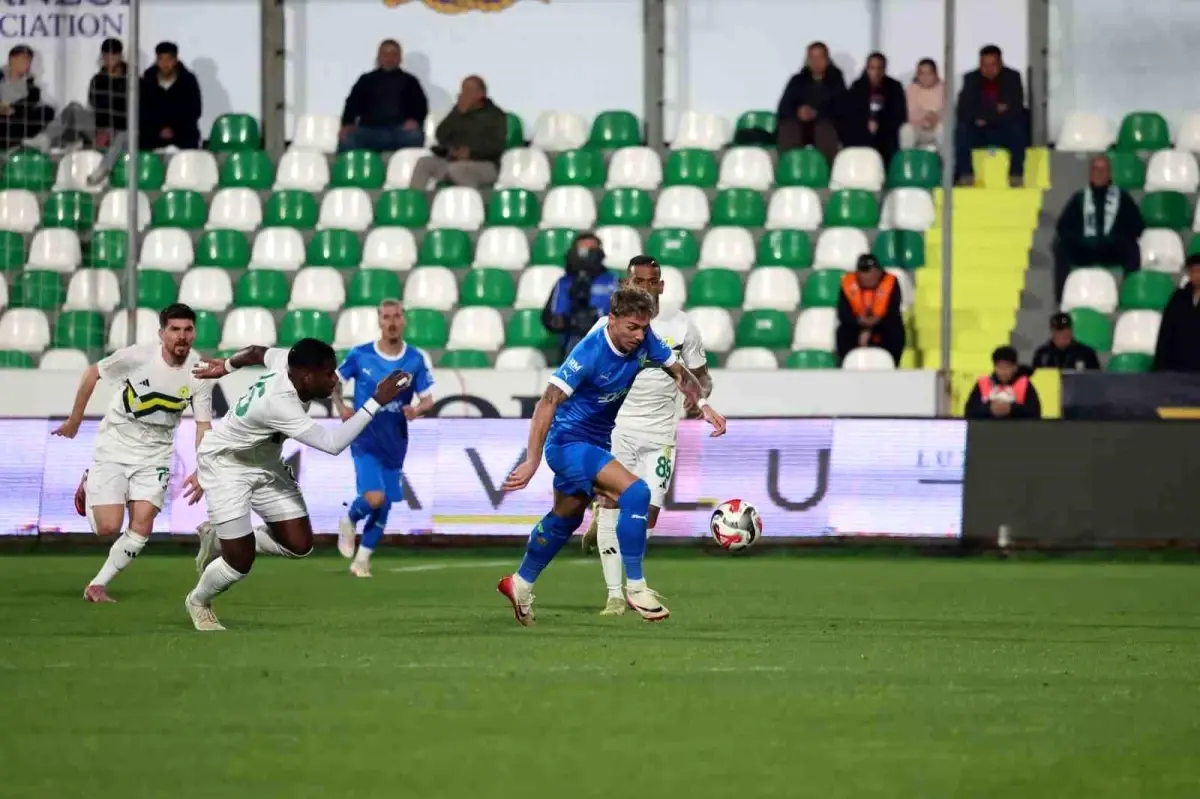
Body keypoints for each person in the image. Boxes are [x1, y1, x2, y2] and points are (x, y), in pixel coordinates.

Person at [497, 288, 727, 625]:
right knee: (636, 492)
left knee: (566, 517)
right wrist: (532, 460)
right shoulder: (589, 352)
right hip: (568, 444)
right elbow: (547, 402)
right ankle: (635, 587)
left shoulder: (647, 340)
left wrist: (704, 405)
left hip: (597, 442)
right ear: (613, 319)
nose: (639, 335)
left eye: (644, 328)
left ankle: (520, 583)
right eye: (632, 327)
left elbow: (679, 373)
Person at [185, 340, 410, 632]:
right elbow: (332, 444)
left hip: (264, 463)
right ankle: (198, 601)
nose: (335, 379)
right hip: (226, 465)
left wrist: (226, 366)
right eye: (328, 373)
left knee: (299, 545)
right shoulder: (281, 403)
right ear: (306, 376)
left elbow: (254, 351)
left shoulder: (287, 362)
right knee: (239, 562)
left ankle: (220, 538)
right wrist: (376, 401)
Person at [52, 304, 213, 603]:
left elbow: (203, 425)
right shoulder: (138, 356)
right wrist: (74, 420)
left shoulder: (200, 373)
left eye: (188, 330)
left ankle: (97, 585)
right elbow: (92, 373)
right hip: (116, 443)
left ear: (194, 333)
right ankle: (90, 484)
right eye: (175, 330)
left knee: (142, 523)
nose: (182, 336)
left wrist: (202, 468)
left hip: (156, 452)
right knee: (108, 527)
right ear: (162, 333)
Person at [578, 256, 711, 614]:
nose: (646, 288)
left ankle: (626, 572)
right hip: (618, 428)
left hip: (661, 432)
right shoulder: (604, 327)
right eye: (639, 281)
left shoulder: (683, 326)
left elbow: (701, 374)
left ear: (661, 286)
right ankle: (615, 595)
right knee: (611, 506)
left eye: (652, 282)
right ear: (626, 284)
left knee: (648, 514)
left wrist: (700, 398)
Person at [332, 300, 435, 578]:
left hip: (396, 440)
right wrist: (341, 407)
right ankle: (350, 518)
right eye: (386, 317)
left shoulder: (415, 359)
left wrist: (416, 409)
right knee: (375, 498)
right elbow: (334, 380)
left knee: (386, 502)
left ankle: (361, 561)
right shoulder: (361, 355)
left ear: (404, 320)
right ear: (379, 321)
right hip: (365, 436)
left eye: (397, 316)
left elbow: (428, 399)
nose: (391, 322)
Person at [1052, 154, 1144, 303]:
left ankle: (1130, 296)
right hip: (1085, 249)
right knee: (1061, 246)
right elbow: (1063, 227)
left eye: (1103, 169)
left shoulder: (1121, 197)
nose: (1099, 173)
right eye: (1095, 169)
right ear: (1090, 174)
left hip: (1111, 249)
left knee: (1132, 249)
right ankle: (1061, 299)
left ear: (1109, 173)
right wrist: (1080, 239)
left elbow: (1137, 226)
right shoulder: (1080, 198)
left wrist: (1119, 236)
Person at [25, 38, 127, 153]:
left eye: (114, 54)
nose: (110, 58)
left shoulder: (131, 79)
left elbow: (127, 108)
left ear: (120, 55)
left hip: (122, 132)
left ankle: (71, 143)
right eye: (106, 54)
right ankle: (46, 139)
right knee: (73, 108)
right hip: (99, 128)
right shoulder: (98, 80)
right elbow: (98, 106)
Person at [408, 75, 505, 189]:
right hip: (453, 161)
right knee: (424, 163)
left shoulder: (495, 115)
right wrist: (458, 114)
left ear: (481, 94)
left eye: (468, 90)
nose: (463, 94)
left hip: (484, 165)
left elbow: (496, 146)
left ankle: (471, 201)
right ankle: (412, 201)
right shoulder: (458, 111)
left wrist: (470, 153)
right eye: (463, 90)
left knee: (458, 169)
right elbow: (441, 134)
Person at [954, 45, 1026, 187]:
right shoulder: (970, 79)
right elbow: (963, 109)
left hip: (1003, 129)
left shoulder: (1012, 77)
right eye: (984, 65)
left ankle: (1016, 174)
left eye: (992, 65)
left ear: (1000, 63)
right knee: (961, 129)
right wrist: (996, 110)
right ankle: (966, 174)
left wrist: (984, 115)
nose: (988, 69)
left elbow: (1016, 108)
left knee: (1018, 126)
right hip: (979, 130)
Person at [340, 39, 428, 153]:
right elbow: (351, 104)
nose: (389, 58)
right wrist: (347, 124)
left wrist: (415, 120)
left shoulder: (410, 81)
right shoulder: (366, 80)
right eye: (385, 54)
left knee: (415, 135)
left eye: (394, 54)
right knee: (348, 137)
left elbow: (421, 106)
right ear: (378, 58)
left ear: (400, 59)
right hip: (369, 131)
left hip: (400, 132)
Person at [541, 232, 619, 361]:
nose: (586, 255)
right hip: (571, 346)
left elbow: (626, 316)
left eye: (591, 250)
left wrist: (597, 321)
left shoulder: (613, 282)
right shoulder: (564, 283)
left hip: (606, 346)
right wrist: (569, 321)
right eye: (582, 249)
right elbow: (548, 319)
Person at [775, 41, 845, 164]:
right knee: (788, 128)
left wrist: (817, 114)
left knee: (825, 130)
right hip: (799, 125)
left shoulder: (836, 81)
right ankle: (789, 168)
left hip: (824, 124)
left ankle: (825, 171)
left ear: (827, 59)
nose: (816, 62)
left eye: (820, 57)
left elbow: (841, 108)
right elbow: (784, 107)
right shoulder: (797, 80)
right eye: (812, 57)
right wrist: (798, 113)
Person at [835, 254, 905, 366]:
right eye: (865, 273)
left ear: (879, 272)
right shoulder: (848, 283)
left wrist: (873, 324)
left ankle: (893, 363)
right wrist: (860, 323)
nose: (869, 277)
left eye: (873, 273)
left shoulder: (891, 282)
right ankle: (846, 364)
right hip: (857, 324)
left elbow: (893, 310)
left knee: (895, 328)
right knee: (843, 331)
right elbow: (843, 313)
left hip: (882, 323)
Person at [840, 52, 906, 166]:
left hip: (886, 130)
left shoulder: (894, 87)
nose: (876, 73)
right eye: (872, 68)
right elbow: (849, 113)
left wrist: (879, 122)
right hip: (861, 130)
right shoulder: (857, 87)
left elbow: (899, 114)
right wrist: (867, 122)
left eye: (879, 68)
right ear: (866, 68)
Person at [140, 42, 202, 150]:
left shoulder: (188, 80)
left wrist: (173, 129)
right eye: (161, 59)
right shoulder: (147, 81)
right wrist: (159, 129)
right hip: (152, 137)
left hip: (182, 136)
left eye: (169, 59)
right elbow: (142, 111)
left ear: (176, 60)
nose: (165, 64)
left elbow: (194, 111)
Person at [964, 346, 1042, 419]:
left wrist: (1012, 409)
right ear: (994, 367)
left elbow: (1035, 413)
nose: (1003, 372)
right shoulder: (982, 383)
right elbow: (969, 412)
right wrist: (989, 409)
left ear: (1015, 367)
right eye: (1000, 367)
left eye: (1007, 367)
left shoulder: (1025, 384)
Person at [1152, 254, 1200, 372]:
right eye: (1193, 271)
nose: (1197, 275)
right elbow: (1166, 330)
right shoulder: (1179, 297)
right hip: (1177, 366)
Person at [0, 45, 53, 148]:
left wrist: (14, 107)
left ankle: (23, 140)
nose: (26, 64)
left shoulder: (31, 85)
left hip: (20, 119)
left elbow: (30, 106)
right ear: (12, 59)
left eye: (29, 61)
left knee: (47, 111)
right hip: (3, 120)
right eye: (23, 60)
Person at [1032, 312, 1101, 371]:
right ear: (1053, 331)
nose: (1065, 334)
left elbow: (1096, 380)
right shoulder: (1042, 355)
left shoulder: (1086, 354)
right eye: (1060, 330)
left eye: (1067, 329)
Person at [901, 58, 944, 150]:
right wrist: (926, 115)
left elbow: (948, 112)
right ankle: (908, 161)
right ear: (917, 75)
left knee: (942, 129)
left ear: (936, 74)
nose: (925, 77)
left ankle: (944, 162)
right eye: (922, 74)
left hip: (937, 126)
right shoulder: (911, 89)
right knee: (906, 130)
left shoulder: (944, 88)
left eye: (929, 73)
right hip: (918, 127)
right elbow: (910, 113)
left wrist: (936, 116)